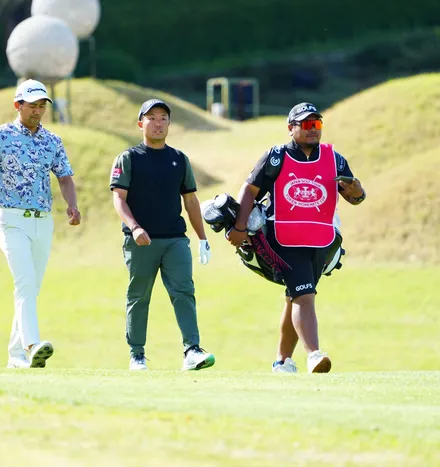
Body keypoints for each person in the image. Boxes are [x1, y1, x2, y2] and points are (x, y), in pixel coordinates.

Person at [226, 102, 366, 374]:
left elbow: (354, 197)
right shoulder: (276, 157)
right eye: (307, 124)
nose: (314, 129)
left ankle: (282, 362)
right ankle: (314, 354)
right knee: (305, 295)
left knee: (296, 296)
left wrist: (358, 191)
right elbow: (249, 190)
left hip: (321, 239)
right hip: (282, 238)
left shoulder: (335, 159)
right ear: (291, 128)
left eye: (317, 124)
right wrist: (240, 227)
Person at [0, 79, 81, 369]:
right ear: (18, 105)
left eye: (42, 106)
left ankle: (15, 356)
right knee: (25, 282)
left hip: (43, 222)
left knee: (30, 289)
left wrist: (72, 205)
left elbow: (64, 177)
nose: (37, 111)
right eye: (32, 106)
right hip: (11, 220)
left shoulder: (52, 141)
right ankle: (31, 345)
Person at [109, 98, 216, 371]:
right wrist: (135, 227)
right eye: (152, 118)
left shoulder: (179, 159)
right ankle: (137, 354)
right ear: (140, 123)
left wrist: (202, 238)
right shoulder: (129, 158)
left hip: (175, 239)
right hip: (141, 241)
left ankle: (192, 350)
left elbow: (190, 201)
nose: (158, 123)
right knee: (139, 296)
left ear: (169, 123)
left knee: (184, 292)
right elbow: (119, 198)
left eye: (163, 118)